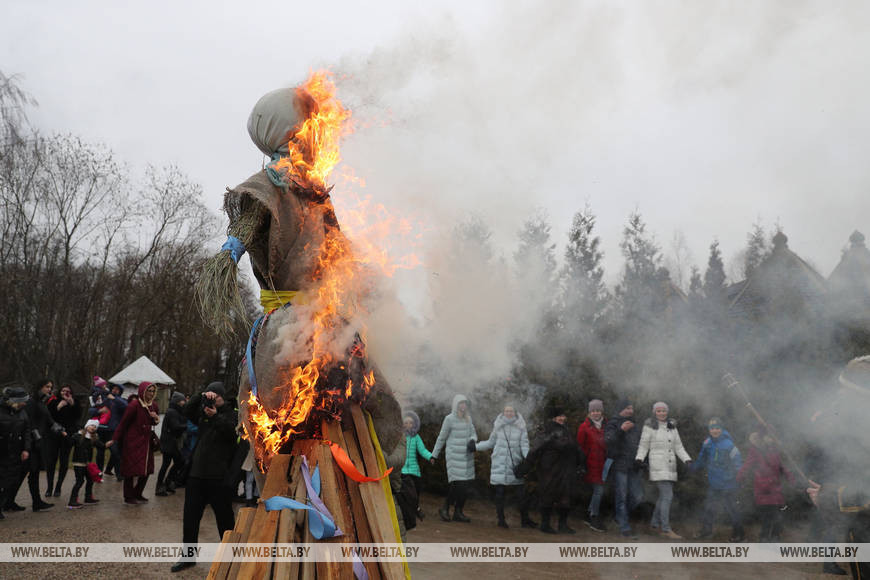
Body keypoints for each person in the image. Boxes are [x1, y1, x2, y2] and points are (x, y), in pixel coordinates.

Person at [171, 382, 239, 573]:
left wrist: (215, 415)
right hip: (196, 476)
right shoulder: (204, 412)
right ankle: (188, 557)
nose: (212, 399)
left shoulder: (231, 414)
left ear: (222, 397)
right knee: (190, 519)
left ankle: (231, 558)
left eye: (216, 395)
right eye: (211, 395)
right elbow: (187, 412)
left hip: (219, 478)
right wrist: (199, 395)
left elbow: (230, 433)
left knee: (224, 520)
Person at [521, 406, 585, 534]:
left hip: (566, 471)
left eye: (563, 416)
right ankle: (545, 525)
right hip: (550, 471)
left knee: (565, 498)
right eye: (559, 416)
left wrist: (581, 463)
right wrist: (525, 466)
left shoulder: (567, 430)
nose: (562, 418)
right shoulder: (547, 430)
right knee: (548, 497)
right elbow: (535, 449)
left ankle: (563, 525)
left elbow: (576, 448)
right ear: (553, 417)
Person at [634, 401, 692, 539]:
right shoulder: (649, 426)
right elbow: (643, 445)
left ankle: (654, 524)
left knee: (663, 497)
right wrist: (639, 458)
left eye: (664, 411)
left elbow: (678, 446)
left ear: (667, 412)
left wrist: (687, 459)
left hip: (670, 466)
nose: (661, 413)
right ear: (654, 412)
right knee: (667, 496)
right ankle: (665, 529)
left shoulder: (672, 427)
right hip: (658, 466)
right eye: (658, 411)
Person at [474, 404, 535, 529]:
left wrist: (528, 458)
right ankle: (501, 520)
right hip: (500, 464)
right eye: (506, 411)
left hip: (515, 465)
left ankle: (525, 520)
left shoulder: (521, 427)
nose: (509, 413)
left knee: (522, 494)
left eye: (511, 411)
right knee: (500, 494)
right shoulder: (498, 426)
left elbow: (524, 445)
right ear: (503, 412)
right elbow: (490, 442)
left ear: (515, 412)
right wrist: (474, 446)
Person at [690, 417, 744, 542]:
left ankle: (739, 534)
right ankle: (706, 531)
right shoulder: (707, 443)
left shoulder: (729, 445)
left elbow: (738, 462)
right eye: (712, 428)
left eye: (717, 428)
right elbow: (702, 459)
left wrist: (737, 477)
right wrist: (692, 467)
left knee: (732, 509)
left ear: (722, 429)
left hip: (728, 483)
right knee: (709, 507)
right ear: (709, 430)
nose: (715, 430)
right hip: (714, 482)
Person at [737, 429, 795, 542]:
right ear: (763, 437)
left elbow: (781, 466)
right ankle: (764, 537)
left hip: (775, 489)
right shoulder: (755, 451)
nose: (770, 439)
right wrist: (740, 476)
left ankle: (775, 537)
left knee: (776, 515)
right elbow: (747, 465)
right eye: (768, 436)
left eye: (772, 437)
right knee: (767, 515)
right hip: (763, 488)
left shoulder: (775, 450)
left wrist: (790, 477)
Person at [431, 394, 477, 523]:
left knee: (465, 486)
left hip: (466, 457)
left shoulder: (468, 419)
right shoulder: (449, 419)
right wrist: (434, 454)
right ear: (456, 405)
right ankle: (445, 508)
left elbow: (473, 433)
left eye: (465, 403)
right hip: (453, 456)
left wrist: (473, 440)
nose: (463, 406)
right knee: (457, 485)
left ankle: (458, 512)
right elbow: (442, 437)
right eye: (461, 403)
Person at [112, 381, 159, 504]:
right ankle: (128, 496)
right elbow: (123, 423)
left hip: (147, 442)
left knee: (147, 469)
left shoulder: (153, 405)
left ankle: (138, 493)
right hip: (133, 441)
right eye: (149, 390)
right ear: (143, 391)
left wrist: (155, 418)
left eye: (153, 391)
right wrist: (115, 439)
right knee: (131, 470)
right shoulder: (134, 405)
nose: (151, 393)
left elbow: (152, 423)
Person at [604, 398, 643, 538]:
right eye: (627, 408)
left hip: (633, 466)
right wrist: (621, 430)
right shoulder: (612, 423)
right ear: (620, 410)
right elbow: (608, 441)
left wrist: (642, 461)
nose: (630, 411)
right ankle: (624, 527)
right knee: (621, 496)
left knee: (638, 497)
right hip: (619, 465)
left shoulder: (635, 425)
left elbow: (640, 445)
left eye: (631, 408)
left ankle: (619, 517)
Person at [16, 379, 56, 512]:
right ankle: (9, 500)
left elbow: (48, 420)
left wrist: (60, 429)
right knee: (26, 472)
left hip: (38, 442)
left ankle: (35, 502)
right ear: (39, 387)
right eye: (47, 387)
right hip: (31, 443)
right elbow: (28, 422)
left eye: (50, 387)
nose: (49, 389)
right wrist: (35, 437)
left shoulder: (42, 402)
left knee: (30, 473)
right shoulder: (32, 402)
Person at [577, 399, 607, 532]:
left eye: (598, 410)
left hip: (604, 465)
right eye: (593, 411)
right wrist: (581, 464)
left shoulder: (607, 425)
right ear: (589, 412)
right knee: (598, 491)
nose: (595, 413)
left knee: (597, 491)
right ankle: (593, 517)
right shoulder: (584, 427)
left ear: (602, 411)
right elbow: (579, 447)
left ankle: (588, 514)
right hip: (590, 464)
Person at [0, 386, 31, 520]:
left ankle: (4, 504)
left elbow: (27, 430)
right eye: (22, 401)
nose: (25, 404)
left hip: (16, 451)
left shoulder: (22, 412)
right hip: (2, 451)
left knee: (11, 481)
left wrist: (26, 448)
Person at [399, 410, 432, 530]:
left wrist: (430, 457)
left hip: (414, 471)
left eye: (411, 423)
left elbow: (422, 450)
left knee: (415, 496)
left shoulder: (416, 437)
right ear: (403, 424)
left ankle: (415, 511)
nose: (408, 425)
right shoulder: (400, 436)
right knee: (407, 496)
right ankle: (410, 516)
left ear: (414, 424)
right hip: (402, 471)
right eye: (406, 422)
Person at [45, 384, 80, 497]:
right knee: (51, 461)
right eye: (63, 390)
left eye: (67, 391)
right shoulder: (53, 402)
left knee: (64, 461)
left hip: (67, 435)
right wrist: (58, 407)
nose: (65, 393)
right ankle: (49, 487)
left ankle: (58, 487)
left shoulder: (74, 402)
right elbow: (49, 417)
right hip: (54, 435)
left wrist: (72, 404)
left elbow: (78, 416)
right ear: (59, 392)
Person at [68, 419, 111, 508]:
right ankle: (72, 501)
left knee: (90, 480)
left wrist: (110, 443)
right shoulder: (78, 436)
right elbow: (69, 443)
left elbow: (102, 446)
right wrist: (66, 436)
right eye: (92, 425)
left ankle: (88, 498)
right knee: (80, 481)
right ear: (87, 426)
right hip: (79, 462)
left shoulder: (93, 438)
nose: (93, 428)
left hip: (87, 463)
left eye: (95, 427)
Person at [156, 391, 187, 496]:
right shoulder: (172, 412)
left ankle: (167, 483)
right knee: (167, 464)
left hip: (171, 443)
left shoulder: (175, 411)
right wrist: (186, 425)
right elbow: (175, 427)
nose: (184, 402)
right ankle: (160, 486)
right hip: (169, 443)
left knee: (179, 462)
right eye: (183, 400)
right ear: (178, 402)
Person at [103, 383, 128, 478]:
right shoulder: (105, 399)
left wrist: (114, 399)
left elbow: (126, 407)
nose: (114, 390)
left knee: (116, 452)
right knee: (113, 452)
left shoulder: (121, 401)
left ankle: (118, 473)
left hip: (114, 430)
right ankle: (107, 470)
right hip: (103, 429)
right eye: (113, 388)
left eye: (117, 389)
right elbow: (93, 409)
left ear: (120, 392)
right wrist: (98, 411)